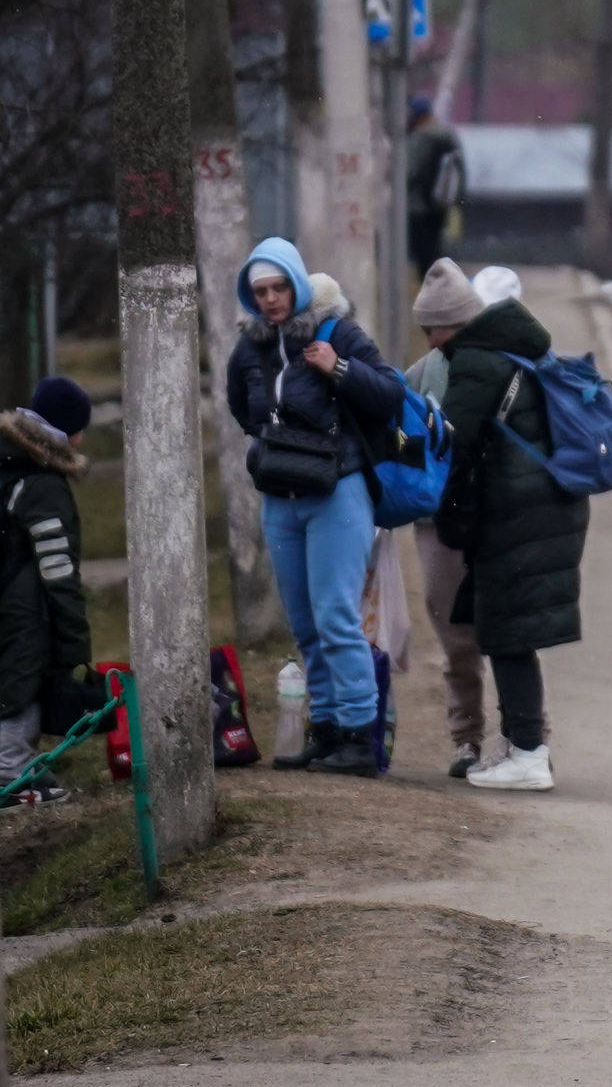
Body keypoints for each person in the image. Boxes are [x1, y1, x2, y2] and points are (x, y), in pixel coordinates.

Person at [228, 238, 404, 772]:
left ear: (297, 285)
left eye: (279, 287)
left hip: (338, 491)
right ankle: (325, 730)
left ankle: (358, 735)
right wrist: (276, 443)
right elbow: (243, 407)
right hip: (281, 497)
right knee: (304, 622)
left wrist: (339, 369)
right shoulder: (251, 347)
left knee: (336, 616)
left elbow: (391, 393)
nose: (271, 299)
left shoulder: (336, 332)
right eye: (260, 291)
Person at [426, 259, 587, 792]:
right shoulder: (517, 349)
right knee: (507, 629)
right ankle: (522, 745)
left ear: (452, 324)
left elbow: (453, 443)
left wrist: (438, 504)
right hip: (544, 506)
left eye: (432, 329)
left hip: (517, 514)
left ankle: (529, 754)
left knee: (508, 632)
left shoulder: (476, 362)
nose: (430, 341)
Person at [405, 260, 491, 776]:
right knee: (453, 632)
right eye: (429, 330)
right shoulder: (419, 377)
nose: (434, 339)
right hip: (437, 522)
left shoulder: (505, 366)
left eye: (443, 328)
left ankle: (528, 737)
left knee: (506, 631)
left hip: (491, 516)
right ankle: (467, 738)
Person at [0, 377, 95, 802]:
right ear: (69, 431)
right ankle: (10, 774)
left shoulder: (9, 462)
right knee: (20, 681)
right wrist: (75, 641)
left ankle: (19, 764)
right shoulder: (42, 485)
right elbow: (58, 572)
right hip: (22, 608)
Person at [404, 97, 466, 275]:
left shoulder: (422, 137)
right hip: (442, 204)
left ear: (419, 116)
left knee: (424, 255)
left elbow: (411, 171)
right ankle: (441, 286)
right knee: (436, 253)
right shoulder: (448, 135)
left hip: (419, 207)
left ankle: (430, 289)